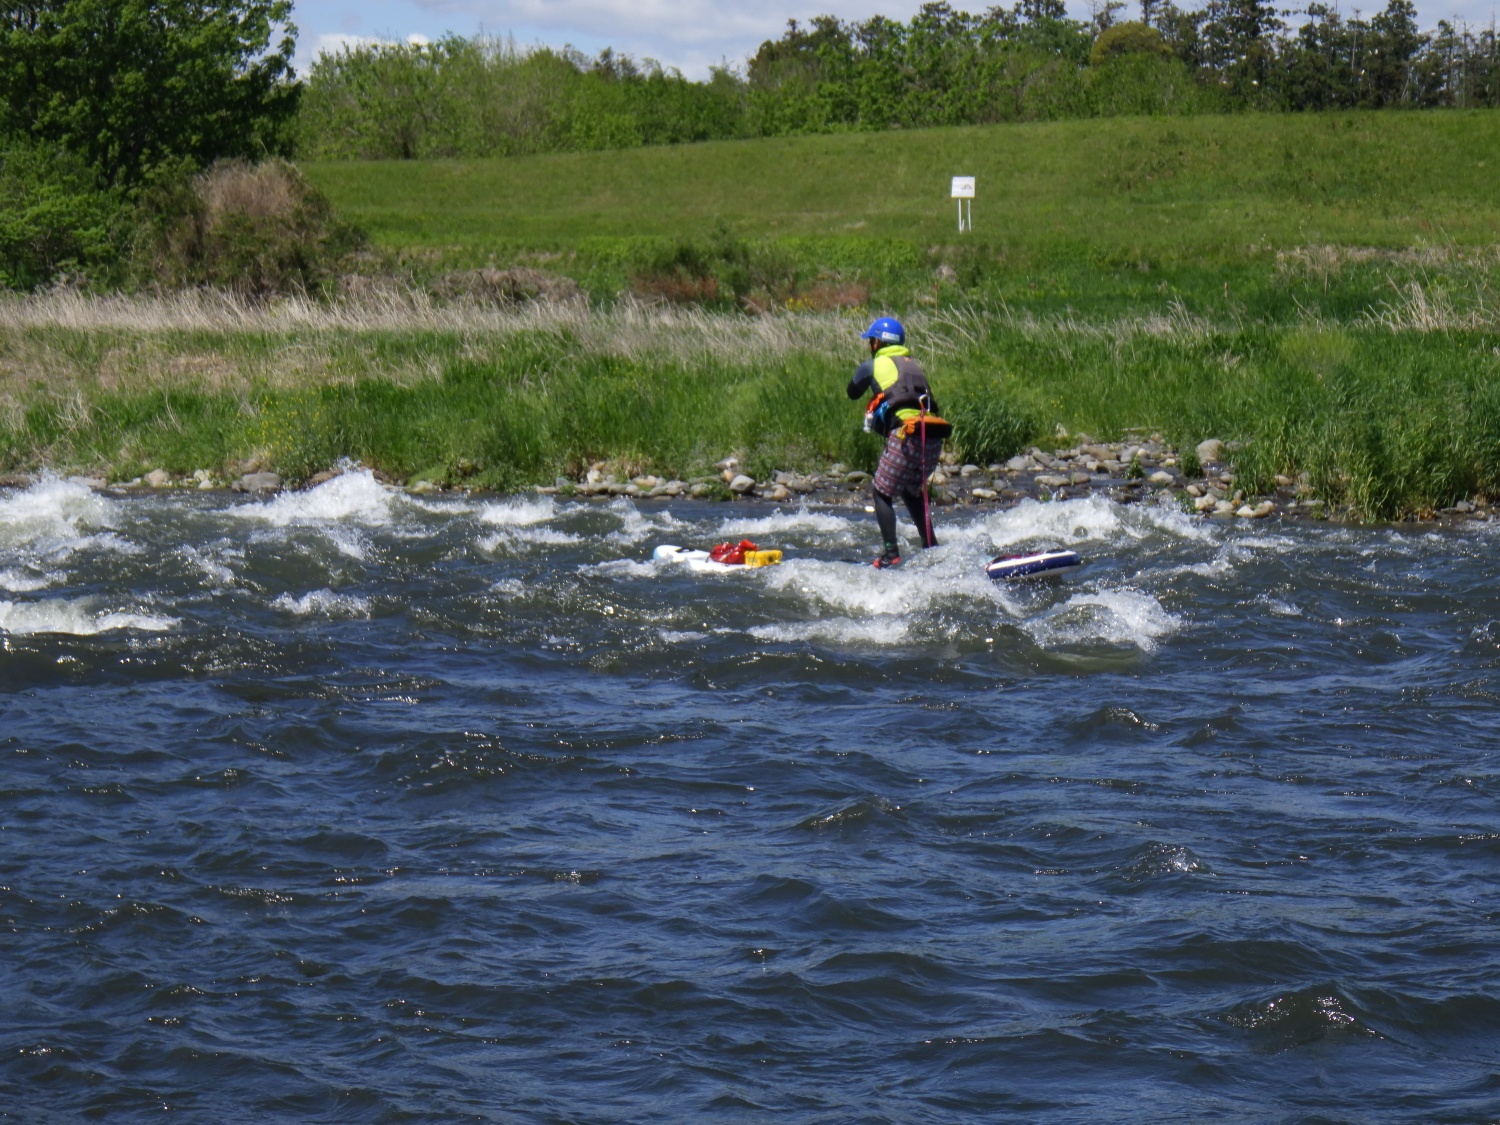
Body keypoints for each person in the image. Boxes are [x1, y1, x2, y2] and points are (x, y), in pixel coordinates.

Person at [846, 317, 950, 568]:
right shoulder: (912, 365)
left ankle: (890, 553)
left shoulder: (872, 365)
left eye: (871, 340)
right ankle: (931, 547)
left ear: (877, 342)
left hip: (906, 435)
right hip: (931, 437)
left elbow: (852, 392)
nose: (869, 345)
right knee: (910, 491)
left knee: (881, 492)